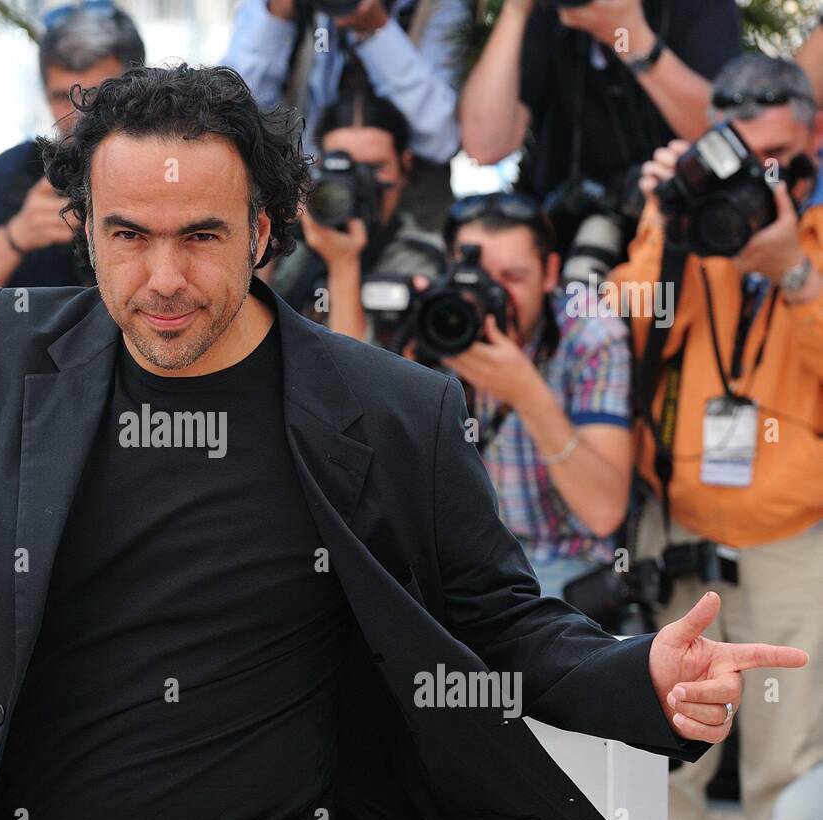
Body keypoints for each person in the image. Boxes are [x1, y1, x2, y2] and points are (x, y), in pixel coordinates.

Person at [0, 65, 806, 820]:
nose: (160, 275)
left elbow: (493, 624)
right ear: (87, 229)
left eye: (198, 236)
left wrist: (631, 681)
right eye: (126, 235)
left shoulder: (393, 410)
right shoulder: (13, 357)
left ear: (265, 233)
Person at [608, 54, 823, 820]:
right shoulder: (689, 235)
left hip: (793, 543)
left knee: (785, 765)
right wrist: (667, 222)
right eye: (747, 163)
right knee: (666, 757)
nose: (765, 189)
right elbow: (621, 341)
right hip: (681, 532)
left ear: (815, 140)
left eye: (786, 166)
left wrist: (794, 277)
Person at [0, 2, 146, 619]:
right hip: (10, 450)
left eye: (101, 97)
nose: (80, 118)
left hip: (138, 446)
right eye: (64, 99)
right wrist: (19, 232)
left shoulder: (166, 179)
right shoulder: (21, 172)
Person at [429, 193, 632, 600]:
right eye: (476, 275)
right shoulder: (432, 318)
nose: (492, 295)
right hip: (451, 563)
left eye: (512, 277)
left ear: (550, 272)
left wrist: (526, 392)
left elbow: (604, 511)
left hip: (560, 563)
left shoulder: (589, 333)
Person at [460, 0, 741, 256]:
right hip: (563, 243)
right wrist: (515, 11)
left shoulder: (698, 8)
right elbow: (484, 146)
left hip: (673, 244)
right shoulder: (547, 14)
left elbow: (727, 138)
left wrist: (628, 36)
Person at [224, 0, 470, 231]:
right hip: (301, 217)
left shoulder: (436, 7)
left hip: (407, 227)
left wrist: (376, 30)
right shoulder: (273, 6)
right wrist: (276, 16)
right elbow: (232, 114)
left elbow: (441, 139)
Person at [269, 82, 446, 342]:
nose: (358, 185)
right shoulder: (294, 235)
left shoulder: (419, 255)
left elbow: (360, 377)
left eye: (375, 168)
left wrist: (343, 263)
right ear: (318, 165)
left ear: (404, 166)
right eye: (344, 169)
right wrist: (269, 233)